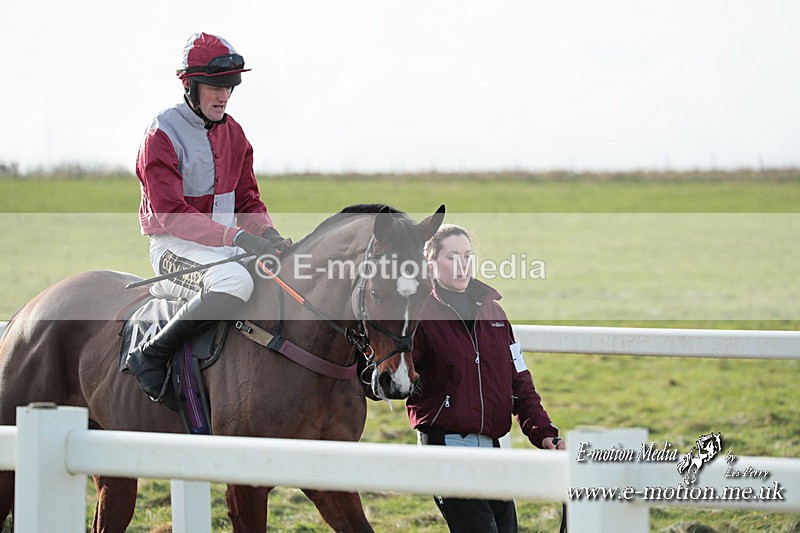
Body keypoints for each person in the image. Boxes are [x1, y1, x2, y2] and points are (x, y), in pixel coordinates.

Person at [124, 32, 286, 404]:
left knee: (279, 277)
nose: (224, 95)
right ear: (192, 85)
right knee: (234, 282)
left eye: (230, 85)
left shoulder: (236, 135)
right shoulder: (161, 134)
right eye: (215, 86)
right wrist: (237, 239)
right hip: (173, 247)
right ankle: (152, 354)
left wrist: (268, 233)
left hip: (223, 246)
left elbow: (247, 200)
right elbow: (172, 216)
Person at [406, 224, 565, 533]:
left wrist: (544, 433)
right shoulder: (419, 313)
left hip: (493, 449)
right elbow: (397, 374)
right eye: (452, 256)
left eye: (468, 255)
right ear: (431, 260)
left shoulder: (494, 313)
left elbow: (520, 383)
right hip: (445, 445)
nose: (462, 264)